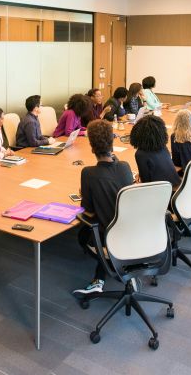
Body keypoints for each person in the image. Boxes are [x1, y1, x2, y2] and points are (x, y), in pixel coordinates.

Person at [73, 120, 133, 297]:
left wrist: (85, 194)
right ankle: (111, 275)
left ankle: (103, 273)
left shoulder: (88, 173)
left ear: (91, 147)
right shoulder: (125, 167)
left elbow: (88, 210)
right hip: (133, 231)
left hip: (110, 237)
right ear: (112, 143)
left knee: (83, 234)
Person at [130, 115, 181, 189]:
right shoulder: (163, 147)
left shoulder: (140, 154)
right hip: (176, 187)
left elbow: (146, 183)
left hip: (162, 193)